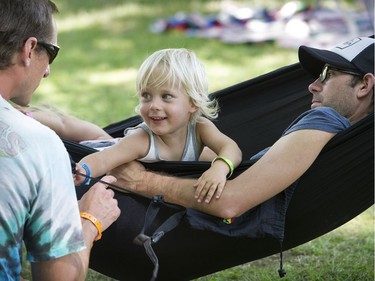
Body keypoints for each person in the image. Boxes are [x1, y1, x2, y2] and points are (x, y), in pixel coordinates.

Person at [108, 36, 374, 219]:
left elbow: (230, 201)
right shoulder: (355, 141)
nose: (312, 85)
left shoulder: (325, 119)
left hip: (192, 220)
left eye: (328, 74)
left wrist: (141, 180)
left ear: (364, 85)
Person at [0, 1, 120, 280]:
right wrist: (89, 221)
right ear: (29, 49)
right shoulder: (39, 144)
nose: (47, 71)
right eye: (51, 53)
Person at [74, 48, 242, 202]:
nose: (154, 105)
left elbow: (231, 147)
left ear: (193, 103)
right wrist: (83, 171)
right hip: (102, 150)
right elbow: (103, 159)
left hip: (118, 148)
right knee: (76, 136)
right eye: (146, 96)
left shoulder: (200, 128)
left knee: (209, 156)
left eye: (166, 96)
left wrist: (219, 168)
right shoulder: (142, 139)